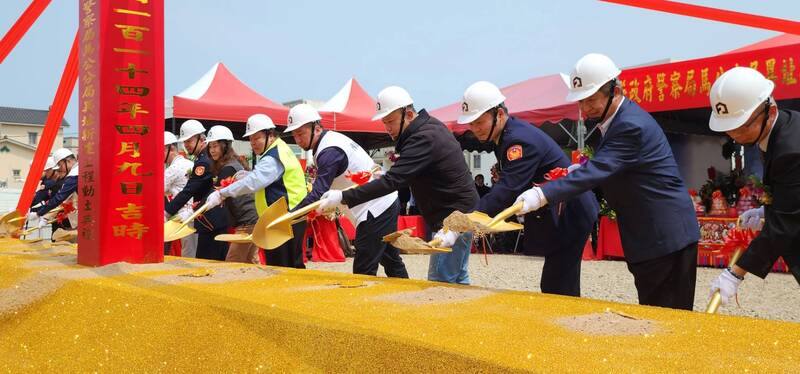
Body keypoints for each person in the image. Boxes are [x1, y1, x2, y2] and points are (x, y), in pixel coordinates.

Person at [514, 54, 700, 310]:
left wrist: (542, 194)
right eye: (581, 101)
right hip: (650, 236)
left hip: (665, 236)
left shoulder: (630, 125)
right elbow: (606, 167)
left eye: (591, 100)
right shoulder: (616, 123)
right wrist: (582, 168)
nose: (585, 109)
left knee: (668, 318)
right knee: (655, 313)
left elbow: (600, 169)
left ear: (616, 90)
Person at [318, 86, 479, 284]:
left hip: (453, 217)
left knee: (440, 282)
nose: (387, 128)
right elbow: (404, 175)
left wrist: (343, 197)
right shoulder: (429, 128)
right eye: (384, 122)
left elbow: (393, 182)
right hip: (460, 213)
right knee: (458, 277)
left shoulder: (423, 137)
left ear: (409, 114)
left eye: (391, 121)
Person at [458, 81, 598, 296]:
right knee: (558, 280)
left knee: (558, 282)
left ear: (500, 114)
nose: (475, 128)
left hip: (570, 210)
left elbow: (508, 189)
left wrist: (465, 221)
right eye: (471, 123)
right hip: (560, 209)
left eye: (479, 121)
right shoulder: (506, 136)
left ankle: (565, 323)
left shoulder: (518, 140)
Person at [706, 67, 800, 304]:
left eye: (742, 126)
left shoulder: (791, 149)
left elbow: (784, 225)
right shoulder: (777, 130)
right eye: (729, 129)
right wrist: (766, 210)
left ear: (770, 111)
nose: (736, 135)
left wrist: (734, 274)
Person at [284, 103, 408, 278]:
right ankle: (406, 297)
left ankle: (364, 303)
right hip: (381, 203)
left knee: (363, 269)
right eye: (294, 135)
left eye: (301, 133)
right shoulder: (330, 141)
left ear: (317, 128)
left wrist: (289, 216)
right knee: (390, 259)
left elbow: (318, 193)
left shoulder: (328, 151)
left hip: (375, 208)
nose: (297, 140)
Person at [206, 114, 308, 269]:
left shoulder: (273, 156)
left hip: (284, 218)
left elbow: (255, 182)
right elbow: (262, 178)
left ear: (270, 135)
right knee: (287, 266)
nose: (253, 143)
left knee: (282, 268)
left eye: (257, 138)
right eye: (251, 139)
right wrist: (247, 176)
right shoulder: (278, 150)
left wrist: (222, 193)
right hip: (285, 217)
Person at [165, 120, 230, 261]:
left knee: (207, 260)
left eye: (189, 141)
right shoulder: (202, 159)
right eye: (185, 142)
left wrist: (167, 211)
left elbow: (189, 190)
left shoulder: (203, 161)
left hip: (210, 219)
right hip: (208, 217)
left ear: (201, 139)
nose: (186, 145)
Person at [204, 126, 260, 263]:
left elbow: (217, 195)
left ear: (225, 146)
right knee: (250, 261)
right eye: (210, 146)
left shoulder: (228, 168)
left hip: (246, 221)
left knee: (233, 261)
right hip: (253, 218)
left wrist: (196, 209)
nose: (212, 150)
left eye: (215, 146)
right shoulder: (235, 163)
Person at [28, 148, 79, 232]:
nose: (60, 169)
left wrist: (39, 214)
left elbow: (60, 198)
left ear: (68, 161)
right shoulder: (80, 168)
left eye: (60, 165)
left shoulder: (73, 175)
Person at [164, 131, 197, 258]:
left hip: (182, 215)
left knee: (187, 252)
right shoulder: (189, 163)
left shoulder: (173, 169)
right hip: (193, 213)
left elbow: (159, 189)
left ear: (171, 148)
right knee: (191, 250)